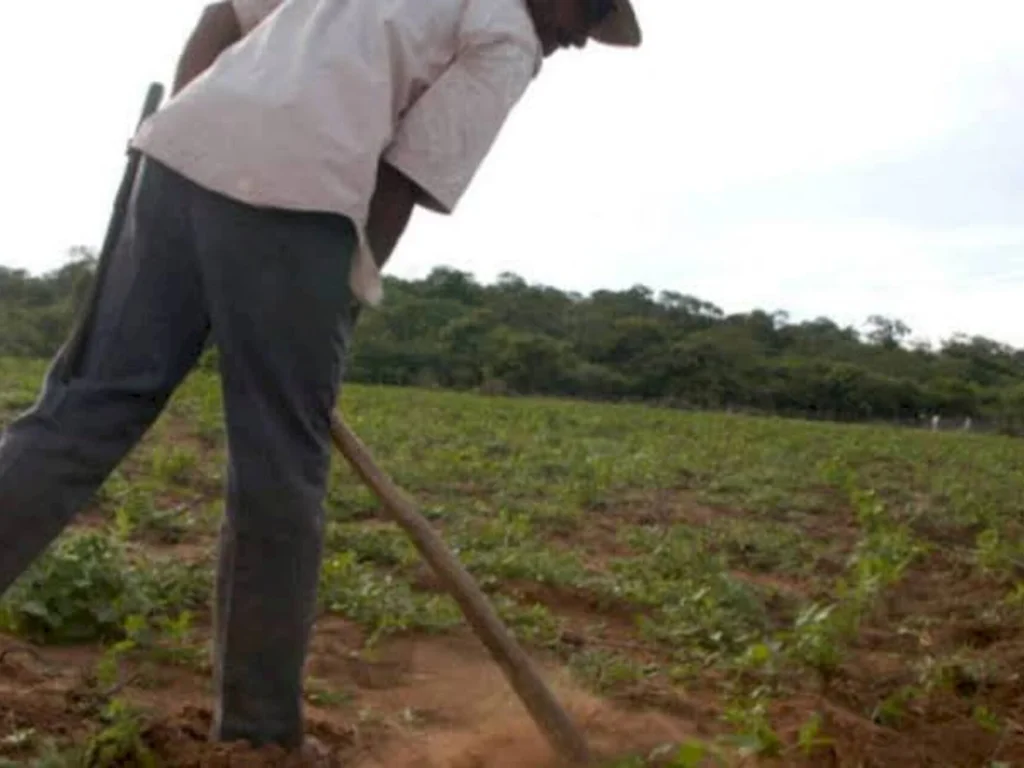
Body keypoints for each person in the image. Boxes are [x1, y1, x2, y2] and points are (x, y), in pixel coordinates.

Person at [0, 0, 642, 759]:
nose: (578, 38)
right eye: (588, 10)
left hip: (174, 162)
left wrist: (187, 131)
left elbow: (221, 16)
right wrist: (338, 303)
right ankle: (260, 739)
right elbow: (409, 176)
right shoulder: (506, 34)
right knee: (279, 473)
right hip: (301, 206)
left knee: (80, 414)